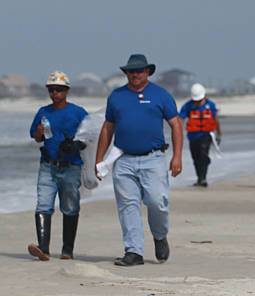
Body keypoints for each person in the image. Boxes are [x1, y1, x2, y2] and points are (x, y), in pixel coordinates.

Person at [95, 54, 183, 266]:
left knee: (157, 202)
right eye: (131, 71)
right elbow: (108, 128)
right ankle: (133, 251)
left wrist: (177, 156)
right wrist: (99, 161)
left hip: (153, 159)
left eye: (139, 71)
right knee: (128, 205)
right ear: (126, 73)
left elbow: (176, 125)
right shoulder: (116, 96)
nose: (135, 74)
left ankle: (160, 236)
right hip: (123, 160)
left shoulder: (161, 95)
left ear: (147, 72)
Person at [27, 71, 88, 261]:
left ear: (67, 90)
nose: (55, 93)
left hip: (71, 167)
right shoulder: (43, 112)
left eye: (59, 90)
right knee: (43, 204)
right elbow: (36, 138)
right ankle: (43, 249)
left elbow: (91, 137)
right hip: (48, 166)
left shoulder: (78, 112)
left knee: (70, 207)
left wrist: (77, 144)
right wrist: (38, 132)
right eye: (51, 90)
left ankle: (67, 250)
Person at [179, 83, 221, 187]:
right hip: (193, 137)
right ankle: (199, 178)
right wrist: (178, 131)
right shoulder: (188, 105)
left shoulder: (210, 105)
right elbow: (180, 119)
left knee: (203, 155)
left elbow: (216, 119)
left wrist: (219, 133)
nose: (197, 102)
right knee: (196, 158)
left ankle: (203, 179)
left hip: (206, 135)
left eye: (199, 100)